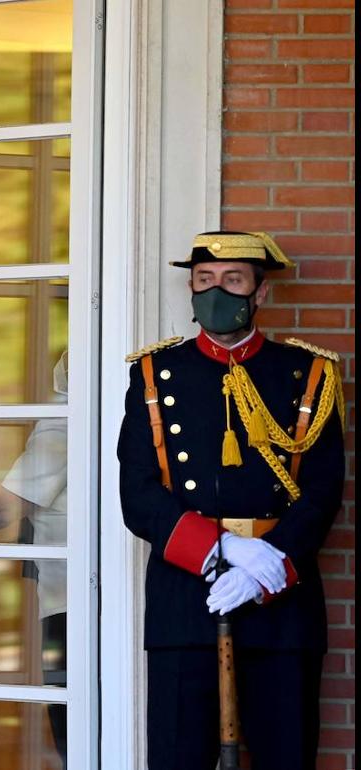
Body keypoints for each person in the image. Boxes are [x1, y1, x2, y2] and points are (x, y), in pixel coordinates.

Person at [118, 231, 344, 769]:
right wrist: (219, 551)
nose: (216, 292)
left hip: (280, 596)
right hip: (186, 594)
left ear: (259, 293)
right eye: (204, 281)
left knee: (285, 755)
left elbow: (323, 489)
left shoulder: (310, 373)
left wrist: (269, 562)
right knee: (179, 758)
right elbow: (139, 494)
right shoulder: (153, 374)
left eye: (233, 280)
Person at [0, 350, 69, 764]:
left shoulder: (64, 423)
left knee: (69, 723)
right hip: (73, 594)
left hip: (68, 601)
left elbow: (7, 505)